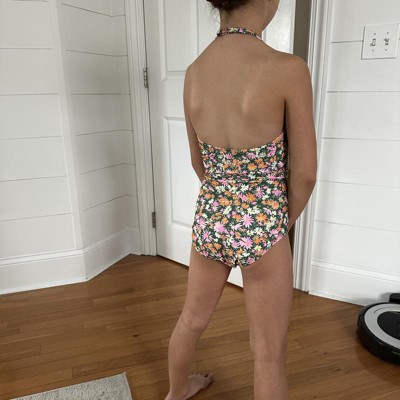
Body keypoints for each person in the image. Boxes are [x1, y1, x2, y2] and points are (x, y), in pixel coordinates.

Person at [165, 0, 317, 399]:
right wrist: (275, 226)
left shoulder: (194, 73)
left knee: (191, 321)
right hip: (263, 224)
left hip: (211, 218)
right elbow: (305, 174)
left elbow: (199, 163)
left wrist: (226, 202)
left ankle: (177, 391)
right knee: (267, 355)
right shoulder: (288, 69)